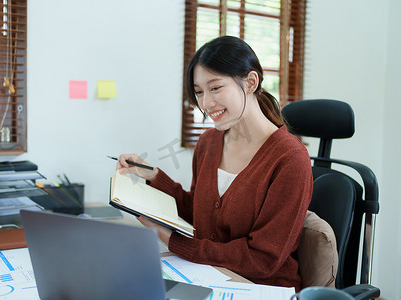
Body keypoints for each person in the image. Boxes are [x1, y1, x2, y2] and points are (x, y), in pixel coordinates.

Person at [117, 36, 313, 290]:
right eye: (199, 91)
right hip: (206, 277)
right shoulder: (209, 142)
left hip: (262, 288)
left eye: (215, 88)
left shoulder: (290, 159)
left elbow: (263, 259)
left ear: (251, 82)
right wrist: (152, 174)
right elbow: (199, 213)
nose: (206, 103)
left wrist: (170, 239)